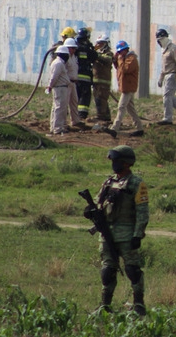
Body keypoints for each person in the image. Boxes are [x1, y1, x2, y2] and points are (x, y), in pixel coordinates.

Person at [84, 145, 149, 316]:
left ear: (127, 163)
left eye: (117, 161)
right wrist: (90, 211)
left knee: (132, 270)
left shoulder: (136, 183)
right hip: (107, 234)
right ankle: (105, 305)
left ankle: (139, 304)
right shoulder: (108, 182)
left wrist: (137, 235)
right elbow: (99, 203)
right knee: (107, 271)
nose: (114, 164)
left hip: (127, 235)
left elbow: (142, 212)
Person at [108, 41, 145, 138]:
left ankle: (114, 129)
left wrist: (119, 59)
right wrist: (115, 60)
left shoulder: (131, 59)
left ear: (125, 50)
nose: (119, 54)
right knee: (131, 109)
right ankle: (140, 128)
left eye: (121, 52)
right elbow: (119, 69)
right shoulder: (124, 59)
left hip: (129, 88)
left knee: (121, 107)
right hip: (125, 87)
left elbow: (125, 69)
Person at [155, 29, 176, 125]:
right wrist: (161, 78)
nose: (158, 43)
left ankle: (168, 118)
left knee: (166, 97)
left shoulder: (174, 48)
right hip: (167, 75)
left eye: (159, 40)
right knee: (169, 97)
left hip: (172, 75)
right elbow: (164, 66)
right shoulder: (164, 50)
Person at [45, 45, 72, 135]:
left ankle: (54, 126)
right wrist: (50, 86)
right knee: (59, 108)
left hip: (61, 87)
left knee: (57, 107)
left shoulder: (58, 63)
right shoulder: (58, 64)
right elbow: (54, 77)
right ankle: (57, 128)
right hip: (60, 88)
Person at [62, 37, 85, 128]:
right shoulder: (64, 58)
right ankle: (63, 123)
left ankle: (75, 120)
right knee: (64, 103)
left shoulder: (73, 57)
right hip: (67, 83)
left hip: (73, 83)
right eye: (72, 48)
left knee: (74, 102)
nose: (74, 50)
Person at [75, 27, 98, 120]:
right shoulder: (88, 49)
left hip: (75, 77)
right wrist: (91, 47)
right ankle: (82, 115)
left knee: (76, 95)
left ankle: (74, 114)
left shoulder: (75, 48)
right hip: (86, 78)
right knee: (85, 96)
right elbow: (94, 57)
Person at [92, 35, 114, 123]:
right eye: (98, 43)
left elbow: (108, 59)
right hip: (96, 80)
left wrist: (96, 54)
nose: (99, 45)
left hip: (104, 81)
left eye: (101, 43)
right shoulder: (97, 53)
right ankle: (107, 117)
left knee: (101, 99)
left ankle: (100, 116)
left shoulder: (109, 53)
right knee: (100, 98)